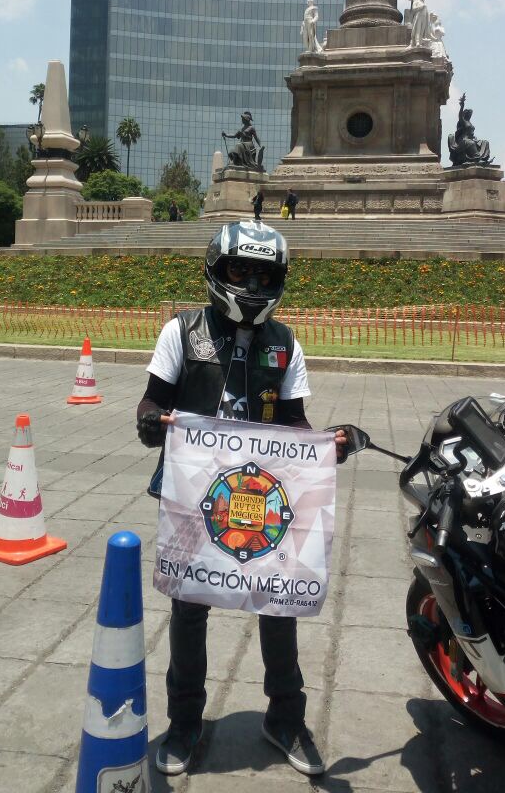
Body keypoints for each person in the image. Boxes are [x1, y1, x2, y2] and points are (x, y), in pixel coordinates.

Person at [136, 222, 351, 778]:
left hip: (261, 497)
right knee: (189, 608)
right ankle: (184, 722)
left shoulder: (286, 343)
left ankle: (286, 718)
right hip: (191, 498)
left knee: (278, 603)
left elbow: (296, 421)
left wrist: (329, 445)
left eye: (263, 273)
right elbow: (150, 403)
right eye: (240, 270)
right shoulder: (180, 332)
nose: (252, 281)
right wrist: (154, 423)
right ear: (216, 270)